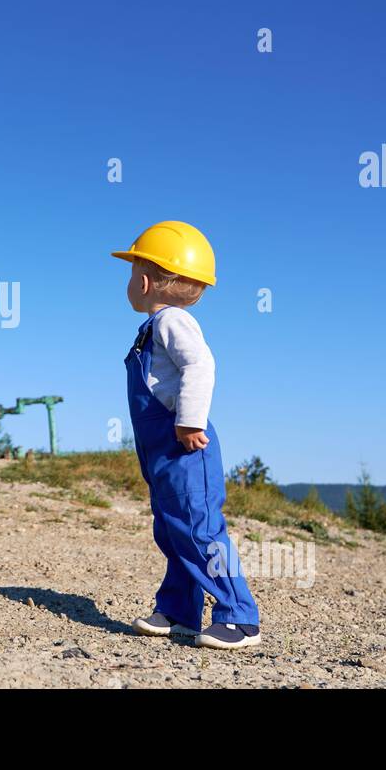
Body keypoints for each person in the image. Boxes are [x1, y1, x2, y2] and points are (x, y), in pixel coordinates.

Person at [112, 221, 262, 649]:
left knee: (199, 530)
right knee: (173, 530)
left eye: (131, 272)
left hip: (184, 447)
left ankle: (239, 617)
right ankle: (180, 610)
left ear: (144, 279)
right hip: (163, 454)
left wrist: (190, 420)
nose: (130, 281)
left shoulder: (171, 321)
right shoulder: (156, 326)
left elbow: (201, 365)